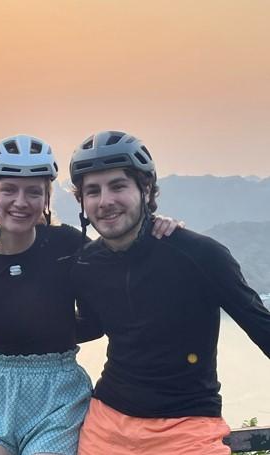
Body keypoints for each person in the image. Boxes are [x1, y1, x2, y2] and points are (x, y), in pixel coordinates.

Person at [0, 134, 180, 455]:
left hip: (59, 396)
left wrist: (154, 228)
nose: (20, 201)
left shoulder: (69, 246)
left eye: (34, 192)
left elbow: (117, 266)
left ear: (46, 198)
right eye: (9, 190)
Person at [69, 130, 270, 455]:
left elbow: (262, 327)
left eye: (118, 186)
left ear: (145, 189)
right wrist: (7, 339)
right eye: (92, 191)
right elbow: (91, 325)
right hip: (107, 424)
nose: (104, 201)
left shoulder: (200, 256)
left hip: (188, 427)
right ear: (82, 201)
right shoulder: (87, 263)